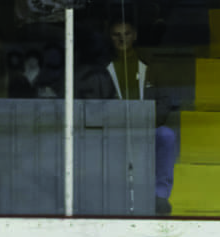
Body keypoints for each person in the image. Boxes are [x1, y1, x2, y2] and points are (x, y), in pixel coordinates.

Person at [76, 17, 178, 215]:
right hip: (113, 130)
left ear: (135, 36)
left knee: (166, 135)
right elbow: (93, 106)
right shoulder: (101, 69)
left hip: (146, 127)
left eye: (127, 34)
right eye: (116, 35)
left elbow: (165, 102)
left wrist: (146, 120)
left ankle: (159, 195)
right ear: (110, 38)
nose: (122, 39)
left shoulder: (150, 66)